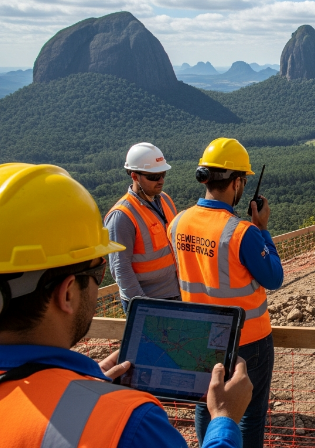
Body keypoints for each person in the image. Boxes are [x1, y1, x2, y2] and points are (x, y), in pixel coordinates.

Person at [0, 163, 252, 448]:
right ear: (67, 293)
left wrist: (84, 385)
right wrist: (224, 419)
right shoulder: (132, 424)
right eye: (97, 272)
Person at [168, 138, 283, 448]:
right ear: (237, 183)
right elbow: (274, 277)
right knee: (250, 415)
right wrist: (262, 229)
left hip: (199, 338)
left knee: (208, 403)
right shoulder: (241, 231)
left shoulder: (177, 223)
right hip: (248, 340)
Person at [105, 143, 180, 314]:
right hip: (149, 301)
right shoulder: (122, 216)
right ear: (134, 176)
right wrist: (143, 307)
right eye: (153, 176)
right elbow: (121, 268)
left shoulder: (165, 200)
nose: (161, 180)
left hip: (175, 295)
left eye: (163, 174)